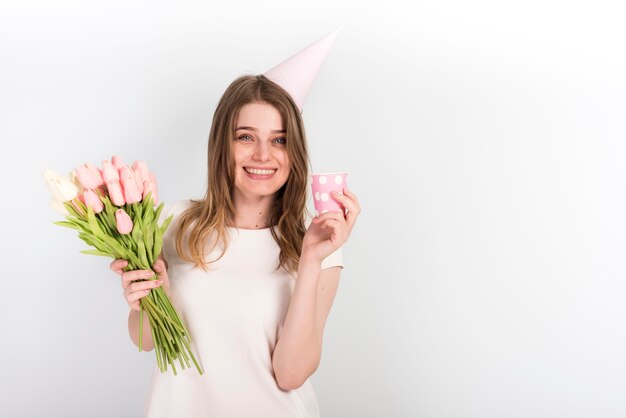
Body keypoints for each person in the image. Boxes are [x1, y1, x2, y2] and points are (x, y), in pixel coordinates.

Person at [109, 31, 361, 418]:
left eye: (279, 141)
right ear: (221, 144)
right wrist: (142, 299)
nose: (263, 155)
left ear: (294, 152)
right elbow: (146, 340)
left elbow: (291, 373)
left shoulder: (320, 242)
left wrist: (310, 260)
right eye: (246, 137)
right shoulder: (170, 224)